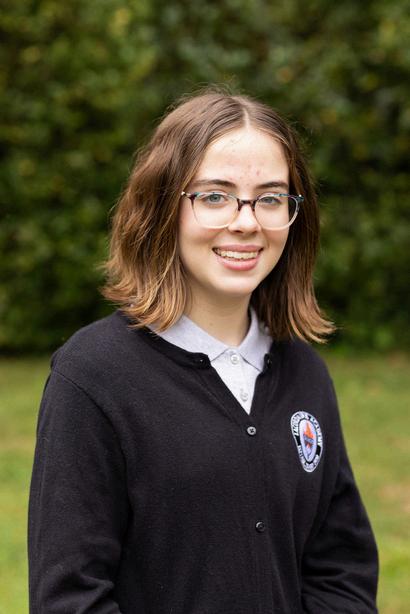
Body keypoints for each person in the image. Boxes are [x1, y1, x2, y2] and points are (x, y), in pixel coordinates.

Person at [28, 88, 378, 613]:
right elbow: (70, 597)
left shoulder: (305, 373)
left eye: (270, 198)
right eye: (215, 196)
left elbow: (341, 572)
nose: (246, 222)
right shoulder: (93, 377)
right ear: (161, 207)